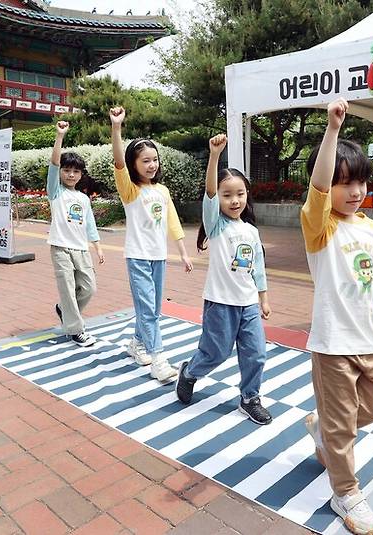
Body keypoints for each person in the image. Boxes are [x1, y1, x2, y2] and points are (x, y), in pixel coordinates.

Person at [301, 98, 373, 535]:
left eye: (359, 181)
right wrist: (332, 131)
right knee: (344, 429)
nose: (354, 191)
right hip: (333, 345)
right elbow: (319, 188)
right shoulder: (320, 227)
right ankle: (346, 492)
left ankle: (323, 430)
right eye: (344, 183)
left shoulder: (372, 228)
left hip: (371, 341)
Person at [175, 134, 273, 425]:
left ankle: (249, 398)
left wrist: (263, 297)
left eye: (240, 193)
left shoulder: (251, 231)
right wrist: (215, 155)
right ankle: (190, 372)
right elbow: (209, 196)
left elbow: (258, 267)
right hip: (220, 304)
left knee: (256, 354)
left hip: (248, 306)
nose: (235, 200)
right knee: (215, 354)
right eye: (227, 194)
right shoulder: (215, 226)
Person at [109, 106, 193, 382]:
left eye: (154, 159)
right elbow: (118, 163)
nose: (151, 165)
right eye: (144, 161)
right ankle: (159, 359)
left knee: (152, 310)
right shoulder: (130, 190)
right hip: (138, 257)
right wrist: (117, 127)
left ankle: (136, 343)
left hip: (159, 257)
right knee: (148, 310)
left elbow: (172, 221)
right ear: (134, 164)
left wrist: (183, 252)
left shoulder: (162, 190)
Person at [48, 121, 104, 347]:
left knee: (89, 288)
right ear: (61, 172)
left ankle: (65, 312)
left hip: (81, 249)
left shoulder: (83, 198)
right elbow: (53, 164)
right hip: (60, 247)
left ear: (81, 174)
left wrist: (98, 246)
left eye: (75, 171)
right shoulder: (55, 191)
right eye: (67, 170)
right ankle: (76, 329)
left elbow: (89, 224)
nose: (71, 174)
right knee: (68, 290)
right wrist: (60, 136)